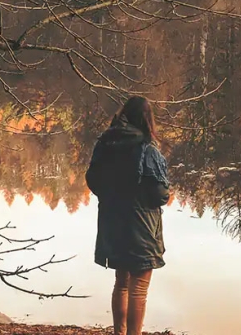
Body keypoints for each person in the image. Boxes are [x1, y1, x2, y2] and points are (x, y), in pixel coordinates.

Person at [86, 96, 170, 335]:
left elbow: (93, 180)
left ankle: (119, 333)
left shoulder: (106, 142)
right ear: (147, 119)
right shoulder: (148, 149)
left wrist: (112, 197)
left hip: (112, 223)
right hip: (141, 226)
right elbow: (159, 195)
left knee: (121, 284)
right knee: (138, 289)